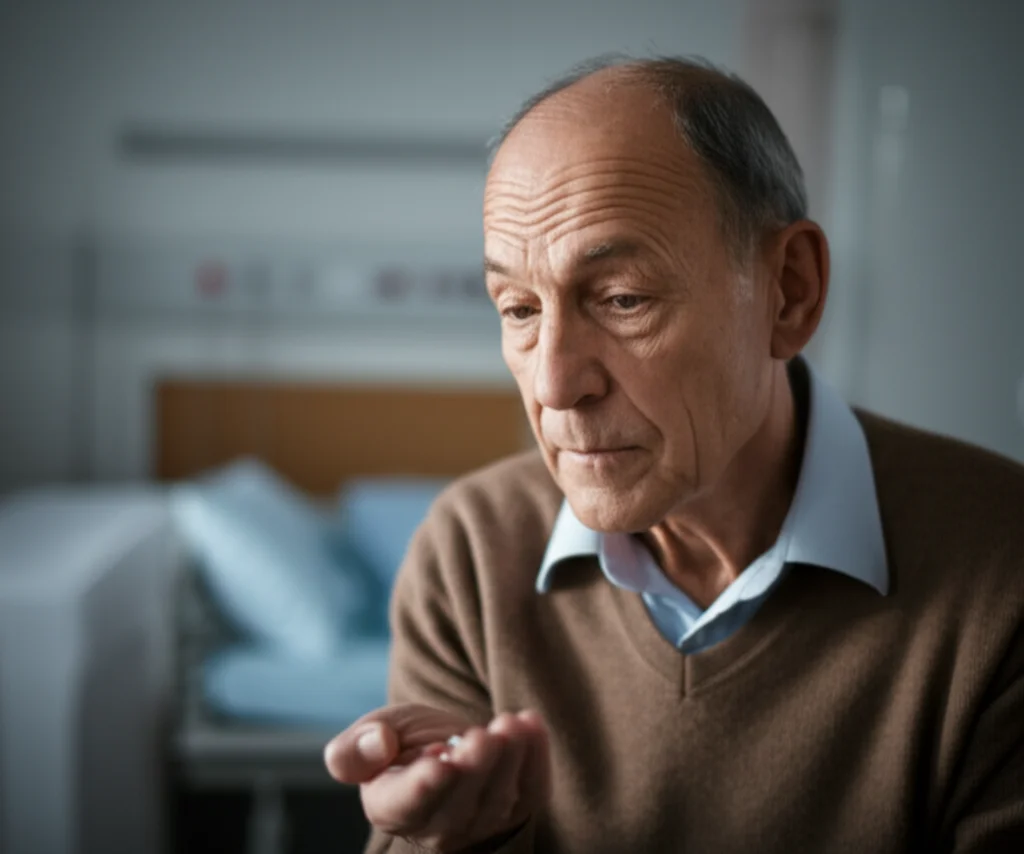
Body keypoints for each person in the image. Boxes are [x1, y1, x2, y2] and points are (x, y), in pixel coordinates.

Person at [324, 56, 1024, 853]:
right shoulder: (470, 552)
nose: (554, 384)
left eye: (622, 300)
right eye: (517, 308)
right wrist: (450, 840)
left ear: (788, 291)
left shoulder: (1003, 568)